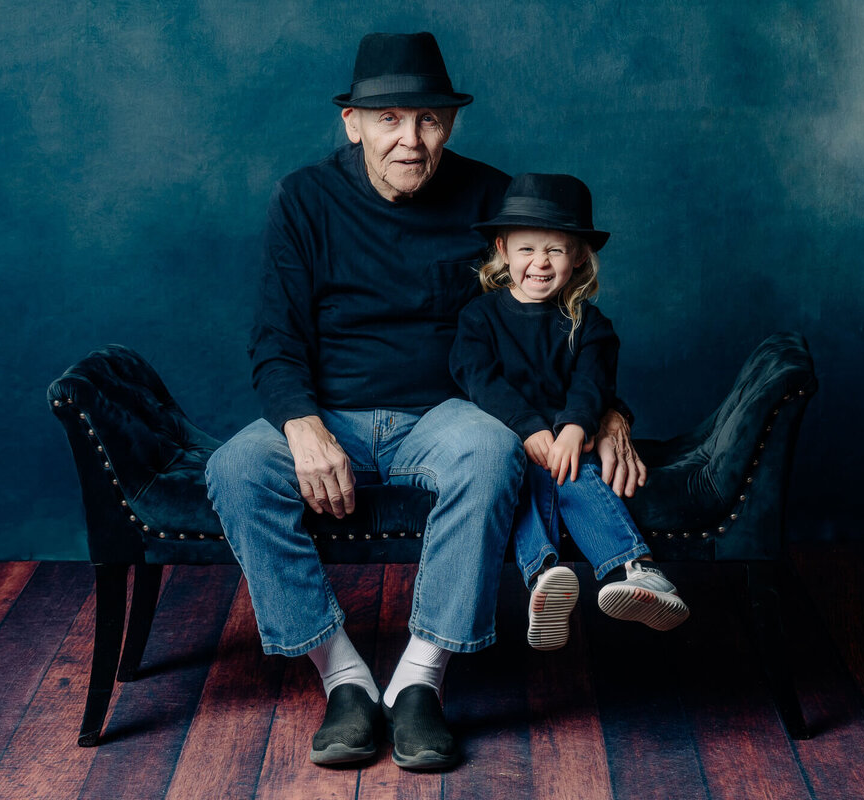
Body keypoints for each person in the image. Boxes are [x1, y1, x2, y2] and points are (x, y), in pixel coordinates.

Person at [206, 33, 644, 771]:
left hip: (447, 414)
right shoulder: (304, 198)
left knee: (491, 450)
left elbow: (556, 314)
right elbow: (273, 338)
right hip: (328, 410)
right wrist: (302, 424)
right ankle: (343, 678)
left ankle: (418, 682)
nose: (410, 140)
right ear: (352, 122)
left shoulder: (489, 198)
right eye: (389, 119)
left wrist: (607, 411)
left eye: (429, 120)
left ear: (449, 123)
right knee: (235, 469)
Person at [451, 173, 689, 652]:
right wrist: (528, 429)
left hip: (569, 442)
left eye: (555, 251)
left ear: (578, 256)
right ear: (502, 249)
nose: (539, 263)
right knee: (516, 481)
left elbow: (592, 383)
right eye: (526, 250)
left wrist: (574, 429)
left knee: (575, 477)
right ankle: (544, 578)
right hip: (510, 440)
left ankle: (635, 572)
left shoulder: (589, 323)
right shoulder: (479, 318)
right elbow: (479, 379)